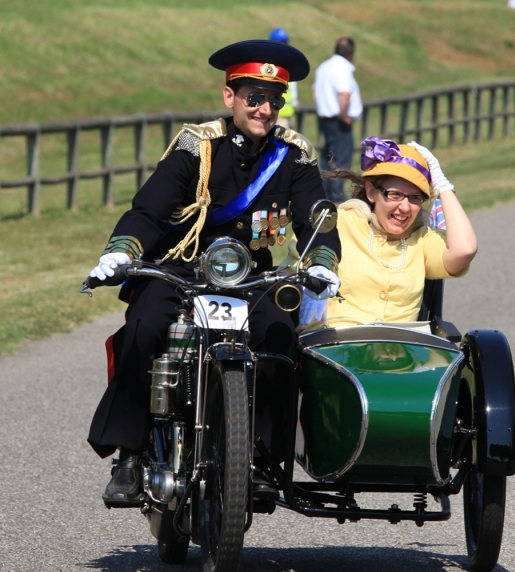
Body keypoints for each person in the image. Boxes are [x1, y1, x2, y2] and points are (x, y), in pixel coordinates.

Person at [86, 39, 341, 507]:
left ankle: (264, 460)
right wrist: (122, 250)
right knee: (143, 327)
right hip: (180, 269)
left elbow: (315, 217)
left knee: (281, 341)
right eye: (254, 97)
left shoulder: (293, 154)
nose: (265, 109)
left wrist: (323, 261)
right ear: (230, 97)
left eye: (274, 100)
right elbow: (150, 207)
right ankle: (130, 452)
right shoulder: (197, 146)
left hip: (253, 278)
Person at [300, 136, 476, 330]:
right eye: (395, 194)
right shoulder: (336, 224)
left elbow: (465, 250)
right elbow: (293, 275)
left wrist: (443, 186)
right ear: (371, 192)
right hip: (336, 348)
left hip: (401, 352)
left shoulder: (422, 239)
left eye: (415, 197)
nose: (405, 207)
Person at [313, 37, 363, 202]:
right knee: (341, 157)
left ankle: (326, 190)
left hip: (324, 118)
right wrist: (344, 115)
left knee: (328, 156)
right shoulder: (342, 69)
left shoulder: (323, 67)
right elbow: (344, 93)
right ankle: (337, 193)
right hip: (338, 120)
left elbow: (315, 92)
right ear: (351, 54)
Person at [268, 28, 299, 128]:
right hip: (277, 114)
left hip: (289, 113)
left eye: (285, 42)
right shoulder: (271, 64)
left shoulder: (289, 62)